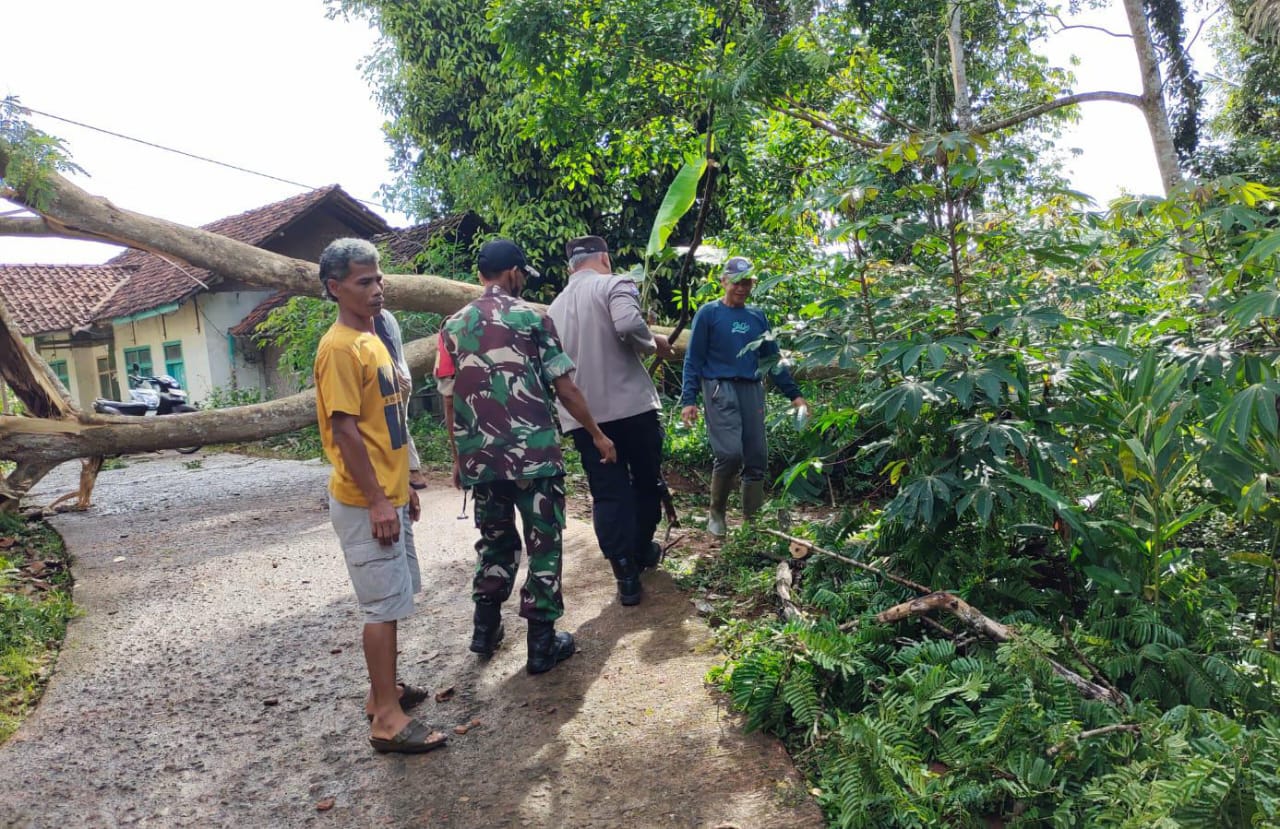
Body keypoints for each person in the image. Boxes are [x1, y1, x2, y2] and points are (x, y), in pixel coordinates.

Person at [435, 238, 617, 674]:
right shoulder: (533, 318)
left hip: (482, 460)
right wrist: (596, 434)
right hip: (534, 459)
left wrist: (460, 459)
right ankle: (541, 643)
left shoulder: (452, 326)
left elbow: (448, 397)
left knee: (495, 542)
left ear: (481, 277)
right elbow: (565, 386)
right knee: (544, 545)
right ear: (515, 273)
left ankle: (485, 629)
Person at [314, 237, 444, 754]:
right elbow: (344, 431)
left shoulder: (372, 340)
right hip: (364, 500)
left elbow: (388, 421)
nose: (377, 290)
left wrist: (404, 484)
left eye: (379, 279)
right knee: (381, 608)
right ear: (335, 288)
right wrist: (375, 500)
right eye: (364, 282)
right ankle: (386, 720)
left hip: (387, 493)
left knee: (396, 596)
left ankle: (381, 693)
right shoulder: (339, 348)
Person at [546, 235, 673, 606]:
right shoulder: (615, 283)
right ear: (604, 257)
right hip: (632, 409)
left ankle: (624, 573)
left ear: (571, 266)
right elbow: (629, 324)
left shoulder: (552, 309)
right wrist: (655, 342)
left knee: (607, 492)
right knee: (647, 481)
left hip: (586, 420)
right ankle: (639, 548)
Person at [679, 256, 807, 537]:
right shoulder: (708, 314)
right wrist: (689, 400)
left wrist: (794, 395)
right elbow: (693, 359)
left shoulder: (756, 316)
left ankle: (752, 523)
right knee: (729, 454)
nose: (742, 287)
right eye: (737, 281)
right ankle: (716, 513)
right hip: (719, 388)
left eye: (747, 282)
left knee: (756, 456)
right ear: (724, 281)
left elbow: (771, 359)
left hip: (751, 388)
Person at [374, 309, 430, 491]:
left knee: (391, 426)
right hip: (399, 374)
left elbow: (384, 346)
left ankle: (408, 472)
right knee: (398, 424)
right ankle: (412, 471)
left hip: (392, 377)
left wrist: (393, 373)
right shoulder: (386, 315)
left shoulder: (375, 317)